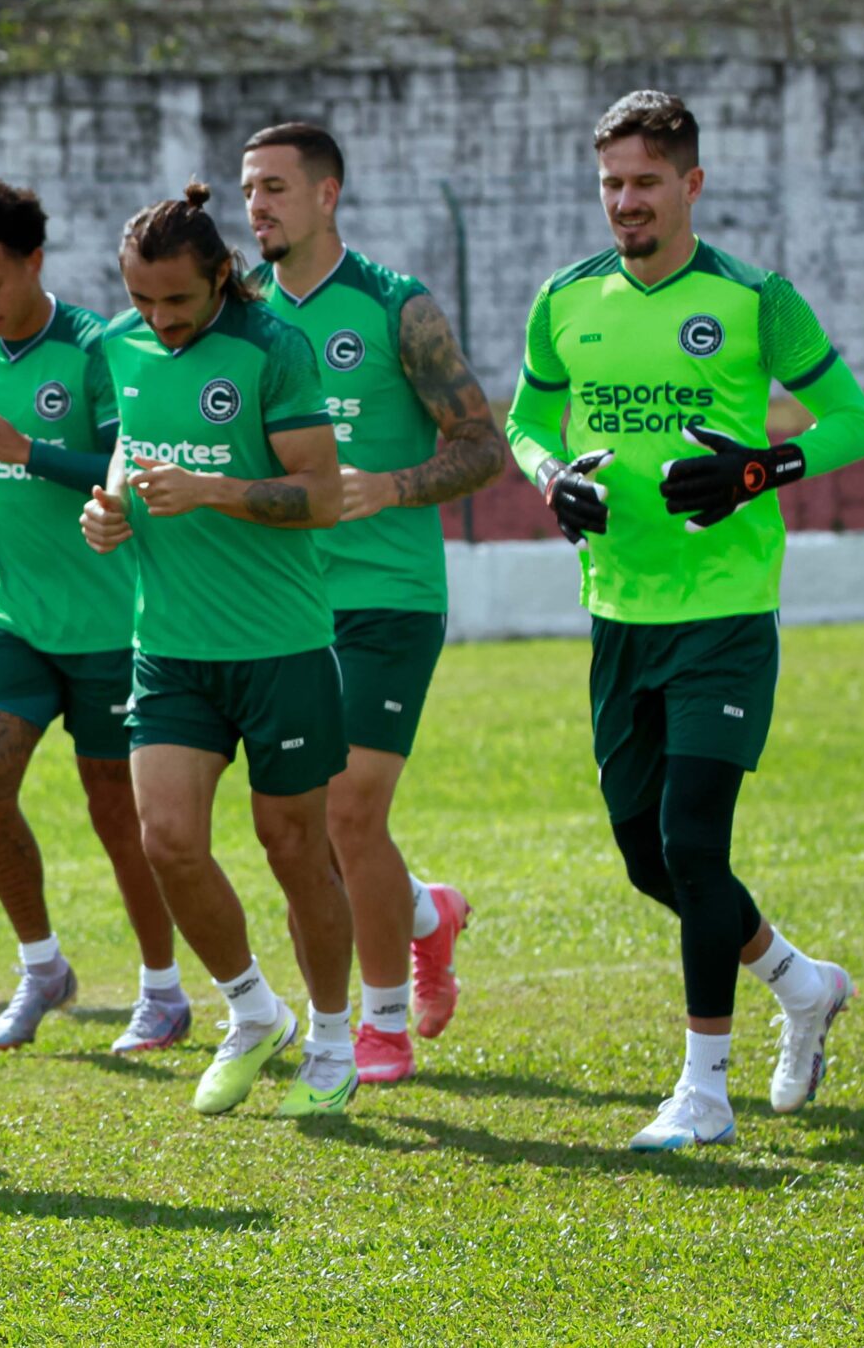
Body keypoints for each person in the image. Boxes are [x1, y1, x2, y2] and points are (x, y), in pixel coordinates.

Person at [507, 91, 864, 1151]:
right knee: (646, 859)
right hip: (618, 612)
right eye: (611, 183)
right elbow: (527, 421)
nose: (626, 201)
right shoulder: (564, 299)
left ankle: (703, 1091)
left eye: (646, 182)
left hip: (725, 613)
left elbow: (854, 421)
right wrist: (550, 478)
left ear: (691, 184)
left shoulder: (755, 298)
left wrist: (761, 467)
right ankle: (800, 984)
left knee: (693, 844)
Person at [78, 182, 358, 1118]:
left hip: (280, 647)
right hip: (169, 645)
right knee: (167, 842)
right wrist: (108, 507)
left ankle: (332, 1040)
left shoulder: (274, 348)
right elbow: (130, 448)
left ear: (220, 277)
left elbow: (321, 495)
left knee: (295, 849)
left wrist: (213, 490)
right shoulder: (119, 345)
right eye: (142, 299)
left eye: (178, 301)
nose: (159, 319)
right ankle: (252, 1010)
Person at [239, 123, 502, 1082]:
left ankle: (381, 1023)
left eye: (274, 187)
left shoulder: (397, 308)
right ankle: (427, 912)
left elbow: (483, 447)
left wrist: (388, 486)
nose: (257, 206)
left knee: (349, 809)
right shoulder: (239, 316)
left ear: (328, 194)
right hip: (283, 601)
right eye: (248, 189)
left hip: (389, 594)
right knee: (303, 821)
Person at [0, 181, 186, 1054]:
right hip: (13, 612)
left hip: (109, 623)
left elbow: (123, 465)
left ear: (35, 262)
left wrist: (27, 452)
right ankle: (42, 967)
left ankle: (163, 990)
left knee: (118, 817)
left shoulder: (94, 349)